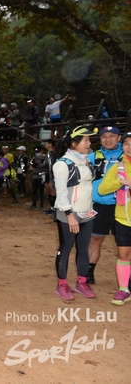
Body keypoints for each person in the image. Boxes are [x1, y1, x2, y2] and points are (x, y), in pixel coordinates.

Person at [52, 125, 97, 300]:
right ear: (74, 143)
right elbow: (61, 192)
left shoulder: (86, 161)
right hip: (69, 214)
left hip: (86, 212)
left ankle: (82, 282)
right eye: (85, 140)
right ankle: (62, 284)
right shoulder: (62, 164)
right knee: (66, 248)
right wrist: (69, 215)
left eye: (89, 140)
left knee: (83, 249)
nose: (89, 143)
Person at [98, 131, 131, 305]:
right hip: (122, 219)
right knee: (123, 255)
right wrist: (121, 182)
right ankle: (123, 290)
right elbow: (102, 189)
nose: (129, 147)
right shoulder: (118, 167)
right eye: (126, 143)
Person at [86, 126, 122, 284]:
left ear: (119, 138)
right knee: (95, 239)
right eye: (104, 136)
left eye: (112, 136)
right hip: (98, 205)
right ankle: (88, 272)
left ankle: (126, 276)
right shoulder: (93, 157)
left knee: (124, 242)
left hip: (121, 205)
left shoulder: (126, 156)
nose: (108, 140)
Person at [28, 146, 48, 210]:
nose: (37, 153)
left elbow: (45, 165)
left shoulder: (44, 157)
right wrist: (35, 166)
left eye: (38, 151)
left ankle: (41, 205)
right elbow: (30, 167)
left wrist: (38, 166)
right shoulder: (33, 158)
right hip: (35, 176)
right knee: (34, 191)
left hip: (41, 176)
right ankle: (34, 204)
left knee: (41, 191)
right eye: (36, 151)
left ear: (41, 151)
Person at [44, 139, 58, 215]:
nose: (45, 145)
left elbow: (49, 164)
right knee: (48, 190)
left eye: (46, 143)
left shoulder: (53, 153)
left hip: (51, 174)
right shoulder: (48, 153)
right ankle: (52, 207)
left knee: (52, 191)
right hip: (47, 173)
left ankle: (55, 208)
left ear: (50, 144)